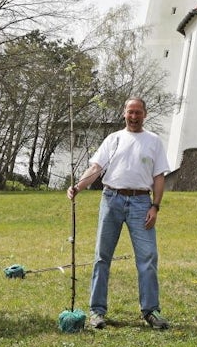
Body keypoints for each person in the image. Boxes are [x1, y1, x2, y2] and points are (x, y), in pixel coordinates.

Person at [68, 98, 171, 330]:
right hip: (111, 200)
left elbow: (159, 176)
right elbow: (96, 168)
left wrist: (155, 206)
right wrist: (78, 188)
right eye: (130, 112)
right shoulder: (113, 139)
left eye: (138, 112)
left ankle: (151, 310)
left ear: (145, 114)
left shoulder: (153, 141)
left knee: (148, 257)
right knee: (102, 257)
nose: (134, 117)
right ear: (124, 113)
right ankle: (97, 312)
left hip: (141, 203)